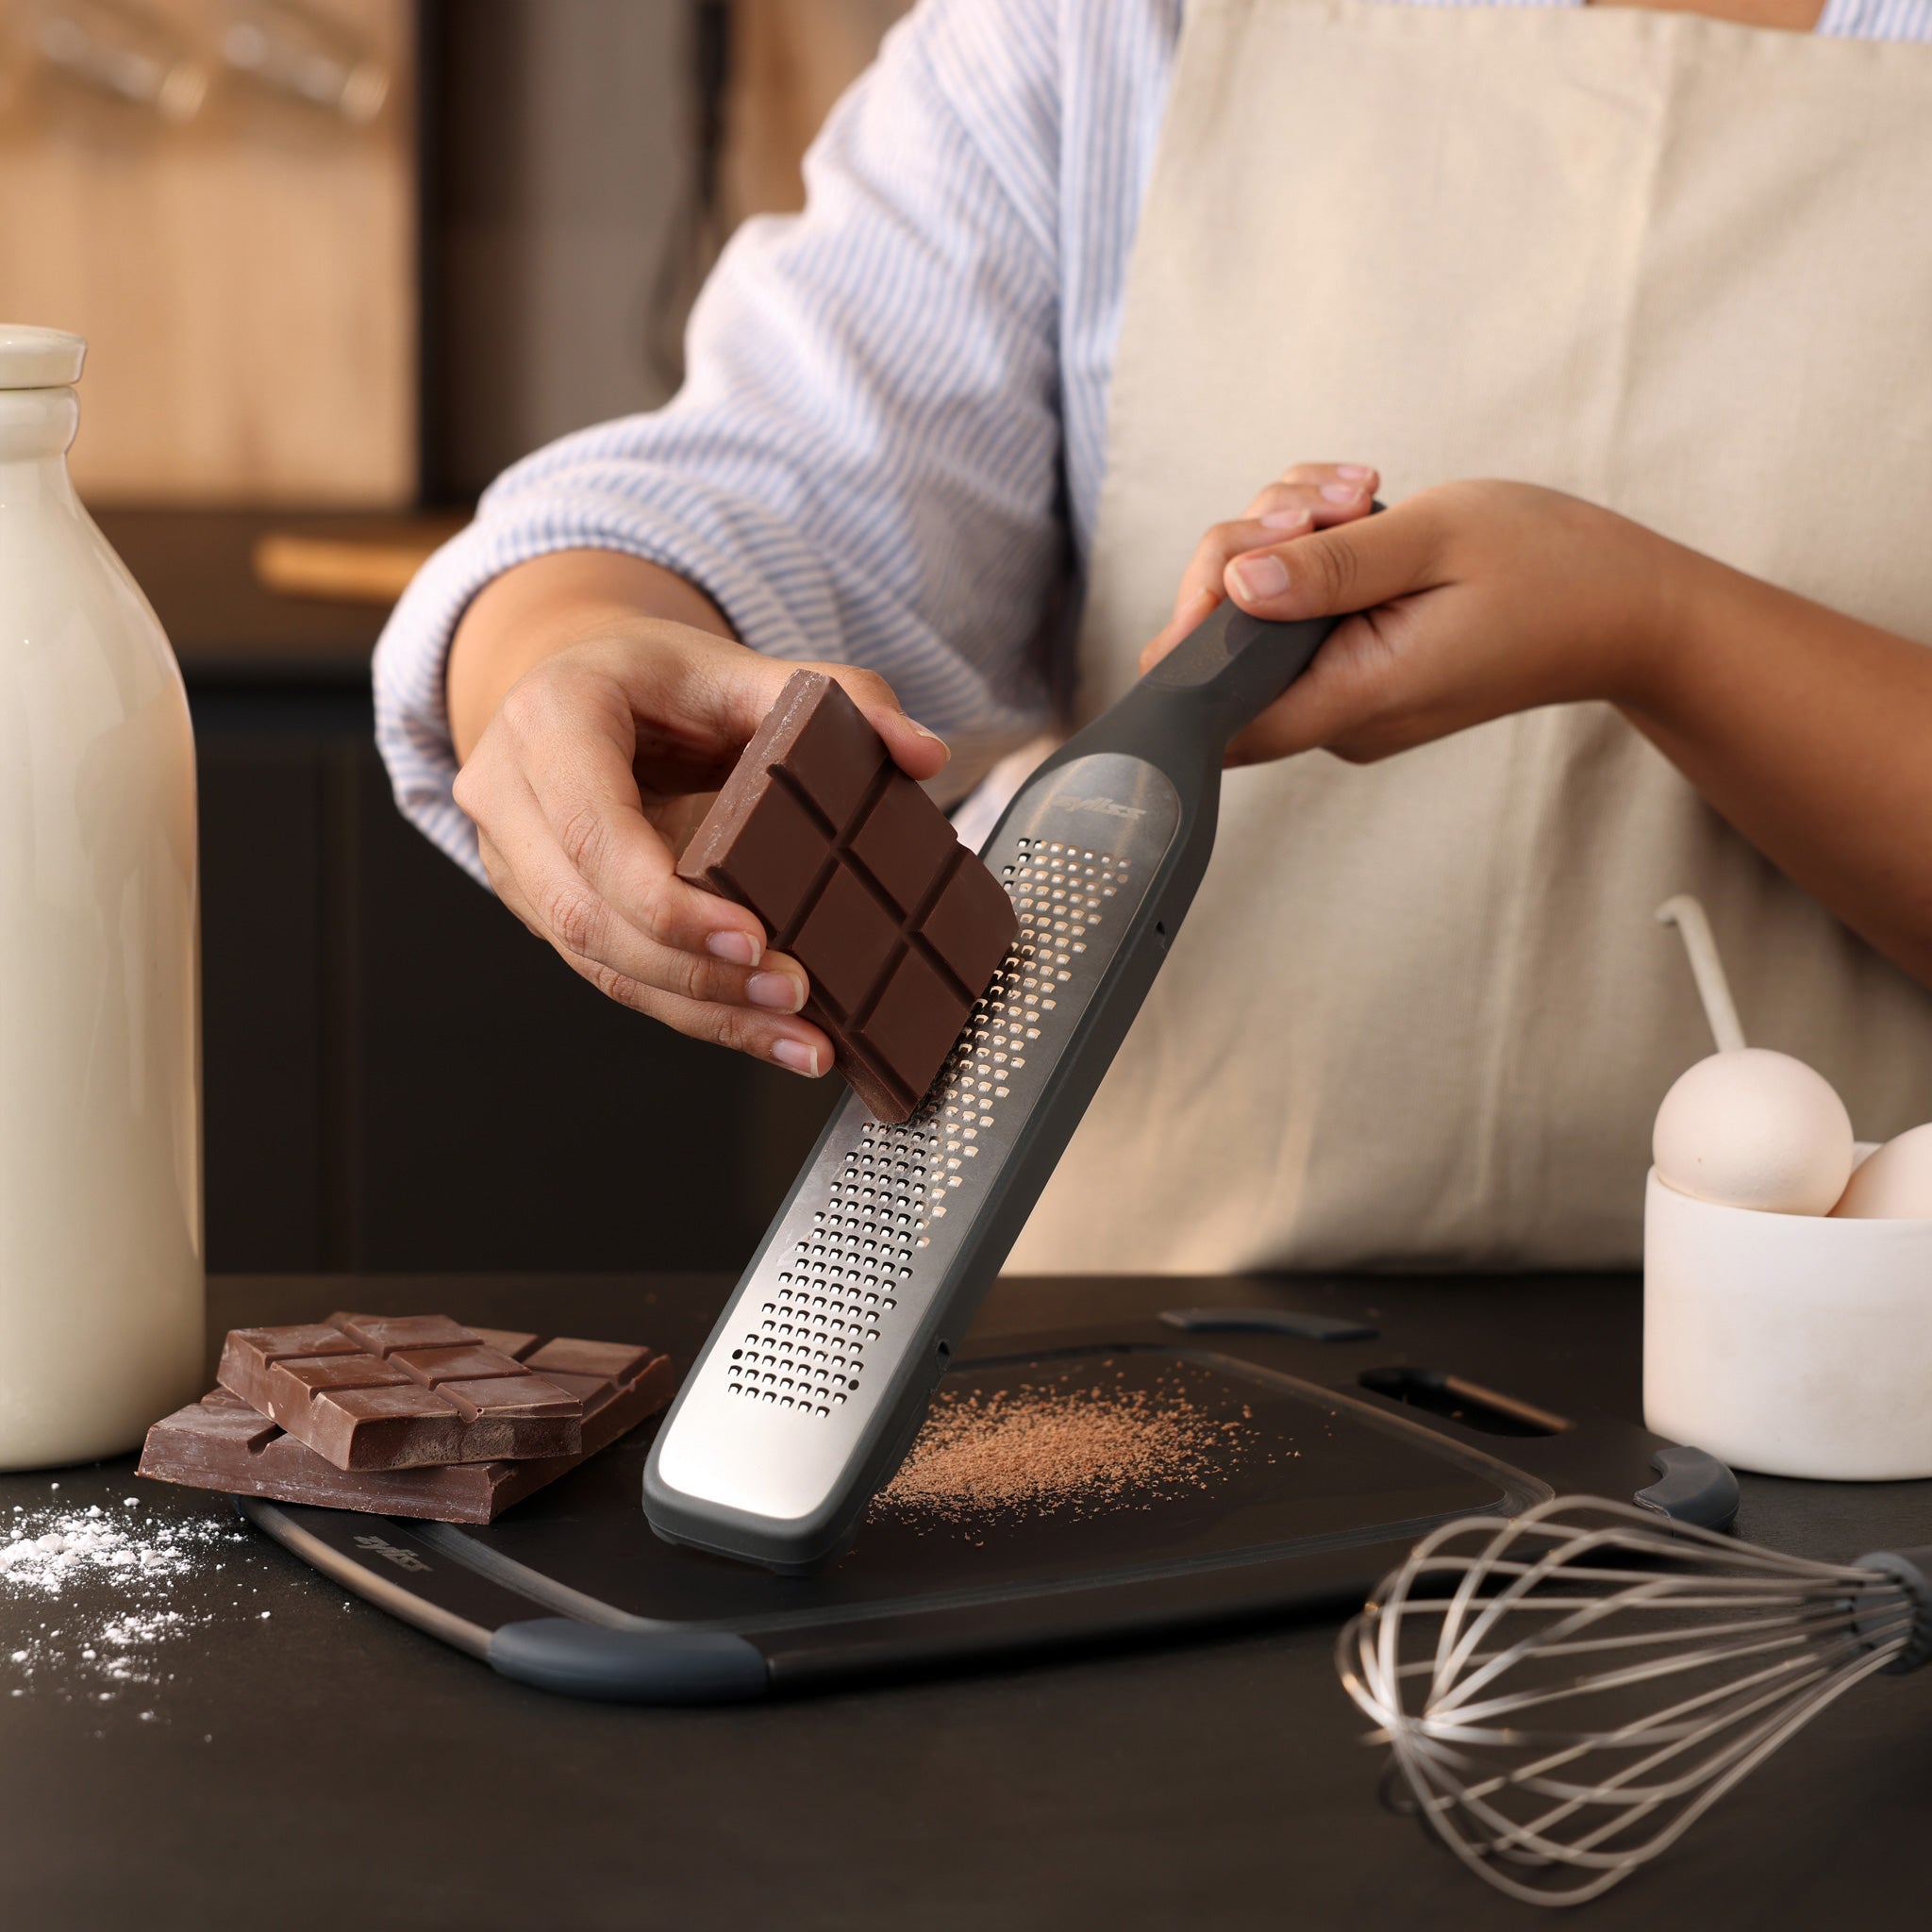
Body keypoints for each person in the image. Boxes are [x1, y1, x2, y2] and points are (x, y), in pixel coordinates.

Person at [375, 0, 1932, 1273]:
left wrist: (1650, 624)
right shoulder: (1097, 33)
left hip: (1858, 1447)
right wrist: (562, 648)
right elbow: (756, 489)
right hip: (1127, 1389)